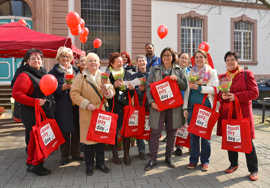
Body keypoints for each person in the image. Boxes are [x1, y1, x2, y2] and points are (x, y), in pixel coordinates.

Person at [70, 52, 115, 176]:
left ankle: (100, 163)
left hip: (101, 111)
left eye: (95, 61)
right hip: (87, 112)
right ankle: (89, 165)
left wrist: (108, 92)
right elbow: (74, 94)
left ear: (99, 63)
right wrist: (86, 104)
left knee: (100, 139)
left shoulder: (103, 75)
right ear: (86, 64)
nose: (93, 63)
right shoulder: (80, 76)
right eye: (90, 61)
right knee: (89, 141)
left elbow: (112, 92)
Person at [217, 51, 259, 181]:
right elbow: (219, 94)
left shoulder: (246, 74)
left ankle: (253, 170)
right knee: (231, 139)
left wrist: (236, 96)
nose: (230, 62)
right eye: (227, 60)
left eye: (232, 59)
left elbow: (254, 93)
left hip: (243, 114)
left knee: (247, 142)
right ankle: (233, 164)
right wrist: (222, 96)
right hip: (229, 113)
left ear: (237, 61)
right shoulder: (223, 77)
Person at [12, 48, 54, 176]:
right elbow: (17, 94)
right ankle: (36, 165)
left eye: (39, 58)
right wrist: (35, 101)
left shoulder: (42, 73)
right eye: (33, 58)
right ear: (27, 61)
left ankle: (32, 162)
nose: (37, 60)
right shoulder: (25, 75)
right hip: (30, 113)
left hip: (41, 112)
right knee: (34, 139)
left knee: (36, 139)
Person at [144, 47, 187, 171]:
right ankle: (153, 158)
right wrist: (151, 102)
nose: (166, 57)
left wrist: (177, 79)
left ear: (173, 57)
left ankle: (168, 157)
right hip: (158, 107)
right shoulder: (154, 69)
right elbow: (148, 87)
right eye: (164, 55)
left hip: (173, 107)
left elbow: (184, 86)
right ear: (161, 57)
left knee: (172, 132)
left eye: (169, 55)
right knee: (155, 132)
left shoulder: (178, 70)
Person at [186, 50, 219, 171]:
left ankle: (205, 161)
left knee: (205, 136)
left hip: (205, 108)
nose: (198, 59)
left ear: (205, 58)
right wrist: (185, 108)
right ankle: (193, 160)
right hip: (192, 108)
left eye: (201, 57)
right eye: (196, 57)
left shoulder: (211, 72)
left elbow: (215, 90)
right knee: (193, 135)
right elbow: (187, 93)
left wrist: (200, 88)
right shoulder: (190, 72)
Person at [49, 47, 81, 165]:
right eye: (63, 56)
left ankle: (76, 153)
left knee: (76, 130)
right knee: (64, 131)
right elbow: (49, 89)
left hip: (76, 105)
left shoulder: (76, 71)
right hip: (62, 105)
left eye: (68, 56)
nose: (65, 59)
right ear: (58, 58)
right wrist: (61, 88)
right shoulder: (53, 72)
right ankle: (64, 155)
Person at [106, 52, 133, 165]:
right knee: (114, 132)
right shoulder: (108, 75)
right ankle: (115, 154)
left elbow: (131, 93)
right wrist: (113, 86)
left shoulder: (127, 73)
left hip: (125, 106)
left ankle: (126, 154)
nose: (120, 64)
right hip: (113, 106)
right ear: (112, 64)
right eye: (118, 62)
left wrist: (131, 88)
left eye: (121, 62)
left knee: (126, 132)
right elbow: (105, 92)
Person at [131, 55, 149, 160]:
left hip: (148, 105)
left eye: (143, 61)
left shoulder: (151, 74)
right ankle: (141, 150)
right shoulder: (134, 76)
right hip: (138, 105)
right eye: (139, 61)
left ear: (146, 62)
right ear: (137, 63)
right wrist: (139, 89)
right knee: (139, 128)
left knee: (149, 127)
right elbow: (131, 89)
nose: (142, 62)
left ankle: (151, 148)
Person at [174, 52, 191, 156]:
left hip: (188, 102)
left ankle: (190, 146)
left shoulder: (191, 72)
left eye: (186, 58)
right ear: (178, 59)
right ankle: (179, 146)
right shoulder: (173, 71)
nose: (184, 60)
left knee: (188, 125)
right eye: (182, 58)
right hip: (176, 102)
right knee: (178, 125)